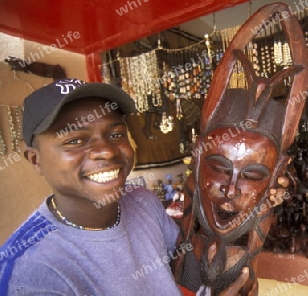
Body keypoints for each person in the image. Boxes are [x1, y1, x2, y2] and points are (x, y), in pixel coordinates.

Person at [0, 79, 248, 295]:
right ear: (36, 160)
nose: (106, 151)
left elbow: (184, 269)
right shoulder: (33, 272)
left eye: (116, 134)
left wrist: (244, 199)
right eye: (75, 140)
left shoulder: (142, 200)